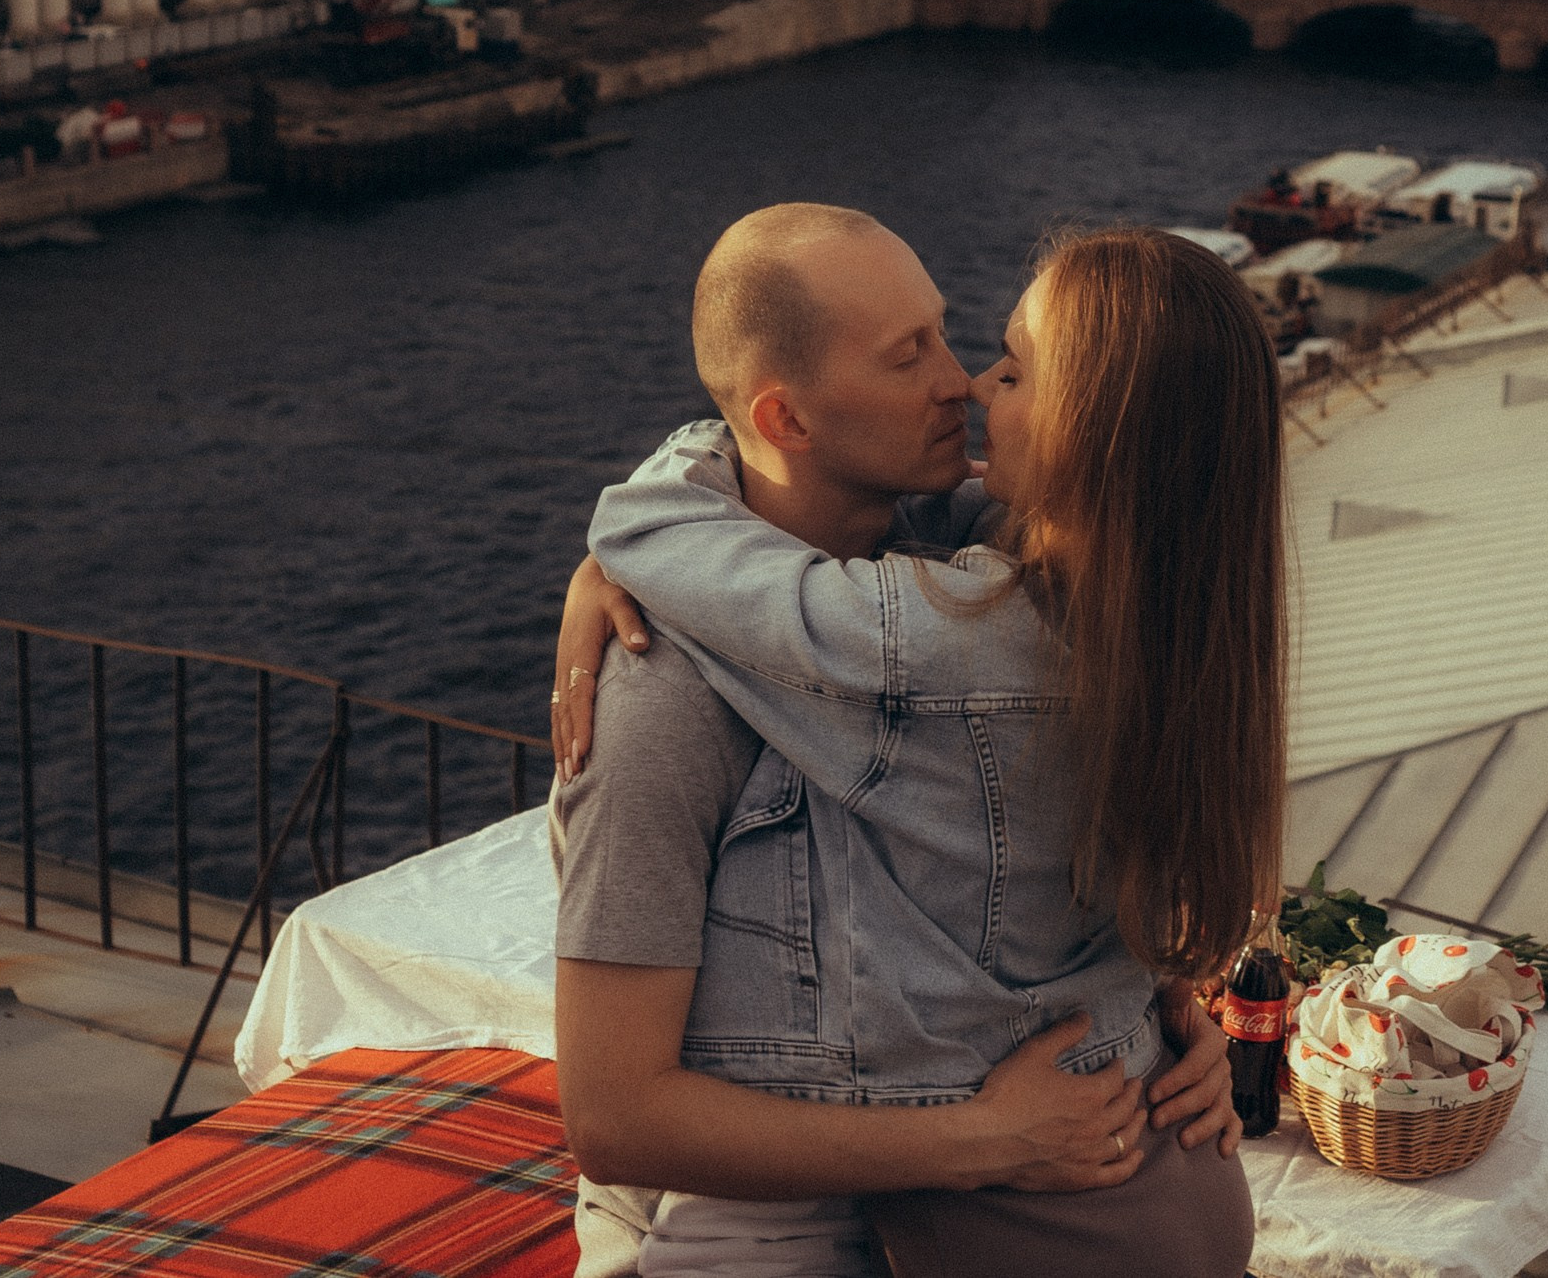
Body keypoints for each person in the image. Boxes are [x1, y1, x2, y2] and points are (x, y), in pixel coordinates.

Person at [551, 208, 1287, 1275]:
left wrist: (1153, 1016)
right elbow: (615, 1116)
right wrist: (992, 1129)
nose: (963, 383)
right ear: (789, 419)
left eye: (979, 350)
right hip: (767, 1228)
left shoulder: (977, 614)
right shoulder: (663, 690)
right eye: (912, 354)